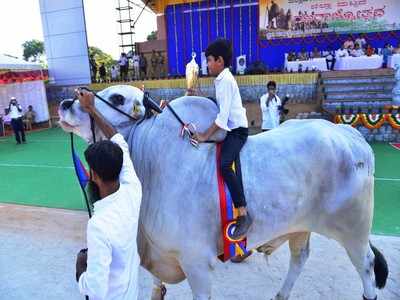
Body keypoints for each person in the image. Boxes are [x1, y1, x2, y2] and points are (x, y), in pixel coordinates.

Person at [75, 89, 142, 300]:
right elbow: (118, 139)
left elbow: (95, 290)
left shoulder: (99, 226)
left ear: (93, 174)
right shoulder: (133, 188)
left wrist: (80, 272)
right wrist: (91, 109)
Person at [192, 38, 252, 239]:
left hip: (237, 131)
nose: (207, 65)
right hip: (231, 129)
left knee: (225, 165)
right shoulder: (221, 80)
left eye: (209, 60)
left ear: (219, 61)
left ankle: (243, 213)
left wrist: (202, 136)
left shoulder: (225, 80)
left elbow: (222, 117)